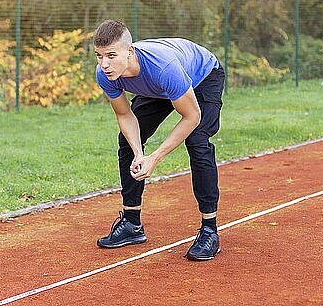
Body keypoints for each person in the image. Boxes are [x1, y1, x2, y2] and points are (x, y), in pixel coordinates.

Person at [93, 19, 225, 261]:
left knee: (197, 142)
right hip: (159, 88)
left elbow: (192, 116)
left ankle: (209, 230)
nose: (105, 64)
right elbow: (124, 114)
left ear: (129, 52)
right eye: (99, 56)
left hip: (201, 76)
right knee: (127, 141)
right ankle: (131, 223)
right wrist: (138, 153)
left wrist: (155, 157)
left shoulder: (164, 68)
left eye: (111, 55)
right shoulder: (105, 74)